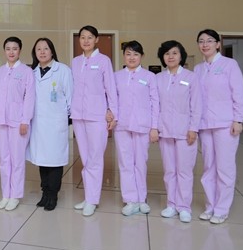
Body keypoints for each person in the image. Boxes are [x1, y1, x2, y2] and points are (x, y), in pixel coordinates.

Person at [194, 29, 243, 224]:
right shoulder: (198, 69)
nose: (205, 44)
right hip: (205, 124)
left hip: (226, 124)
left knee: (224, 168)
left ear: (218, 44)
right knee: (208, 167)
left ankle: (222, 209)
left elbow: (239, 93)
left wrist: (238, 119)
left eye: (210, 40)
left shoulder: (229, 64)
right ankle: (210, 206)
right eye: (201, 41)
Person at [71, 25, 118, 217]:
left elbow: (111, 88)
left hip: (97, 116)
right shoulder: (75, 61)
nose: (86, 41)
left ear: (96, 39)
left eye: (90, 37)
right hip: (78, 116)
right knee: (85, 158)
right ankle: (89, 196)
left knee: (95, 158)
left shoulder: (104, 61)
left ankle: (92, 199)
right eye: (82, 37)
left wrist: (112, 112)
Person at [156, 40, 202, 223]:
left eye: (174, 53)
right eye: (167, 53)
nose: (171, 56)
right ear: (162, 57)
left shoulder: (191, 77)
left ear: (181, 56)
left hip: (185, 132)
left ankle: (184, 207)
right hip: (165, 130)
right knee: (169, 170)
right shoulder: (158, 78)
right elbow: (155, 105)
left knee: (184, 171)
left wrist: (193, 128)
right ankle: (171, 204)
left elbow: (197, 105)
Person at [0, 37, 35, 211]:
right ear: (4, 51)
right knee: (3, 159)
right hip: (0, 121)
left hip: (18, 123)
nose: (11, 52)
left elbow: (30, 97)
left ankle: (15, 195)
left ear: (20, 50)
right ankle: (5, 194)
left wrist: (25, 120)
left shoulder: (26, 71)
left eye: (14, 48)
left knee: (17, 160)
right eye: (8, 48)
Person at [27, 38, 73, 211]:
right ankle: (45, 192)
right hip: (38, 124)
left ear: (52, 51)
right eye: (38, 49)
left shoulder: (63, 70)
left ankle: (53, 195)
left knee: (54, 161)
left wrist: (67, 119)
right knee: (42, 160)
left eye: (46, 48)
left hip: (55, 123)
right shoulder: (31, 73)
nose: (42, 52)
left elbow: (71, 97)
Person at [114, 40, 159, 216]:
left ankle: (142, 199)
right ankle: (130, 200)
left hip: (142, 126)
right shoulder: (117, 76)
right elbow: (112, 100)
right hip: (122, 126)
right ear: (123, 56)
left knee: (140, 163)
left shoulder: (150, 77)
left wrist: (154, 127)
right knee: (125, 163)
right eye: (128, 54)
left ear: (142, 56)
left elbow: (155, 103)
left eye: (135, 54)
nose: (132, 57)